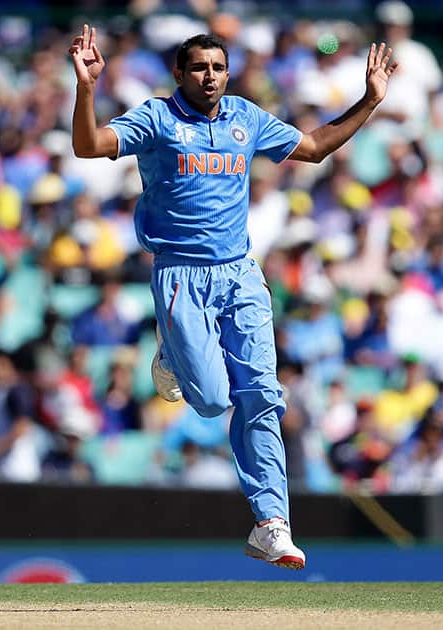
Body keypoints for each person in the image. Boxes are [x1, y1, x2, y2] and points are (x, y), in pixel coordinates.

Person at [69, 24, 397, 569]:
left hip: (241, 273)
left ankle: (272, 522)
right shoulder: (157, 117)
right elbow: (88, 146)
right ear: (179, 73)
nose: (210, 77)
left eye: (218, 68)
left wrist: (370, 101)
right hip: (180, 275)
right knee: (214, 399)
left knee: (261, 394)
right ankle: (172, 352)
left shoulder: (245, 118)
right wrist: (86, 88)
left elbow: (313, 148)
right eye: (199, 68)